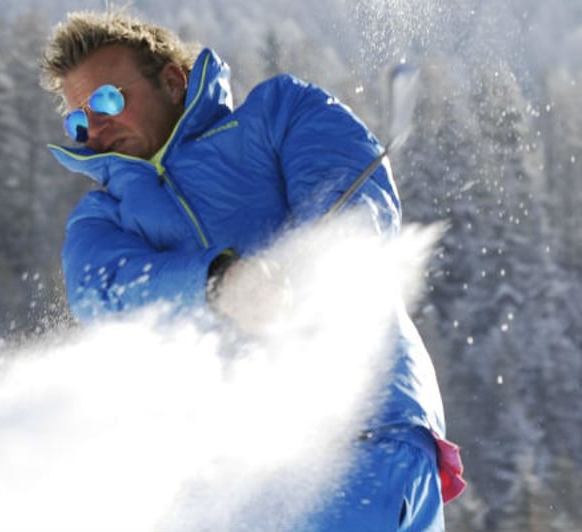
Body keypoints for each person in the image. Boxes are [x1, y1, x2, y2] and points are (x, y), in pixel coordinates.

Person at [38, 10, 464, 532]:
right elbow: (102, 290)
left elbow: (351, 201)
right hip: (236, 474)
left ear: (172, 81)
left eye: (107, 100)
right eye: (79, 120)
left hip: (359, 428)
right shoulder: (103, 219)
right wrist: (216, 283)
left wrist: (307, 271)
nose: (95, 127)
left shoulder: (279, 113)